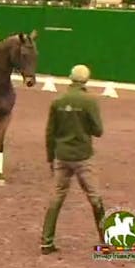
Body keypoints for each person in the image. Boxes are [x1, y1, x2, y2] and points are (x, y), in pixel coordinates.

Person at [40, 64, 106, 255]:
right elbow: (98, 131)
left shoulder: (58, 100)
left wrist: (50, 157)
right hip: (83, 156)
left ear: (70, 78)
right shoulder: (89, 101)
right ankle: (106, 242)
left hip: (61, 155)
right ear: (86, 79)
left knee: (57, 198)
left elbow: (50, 132)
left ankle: (46, 241)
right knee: (95, 198)